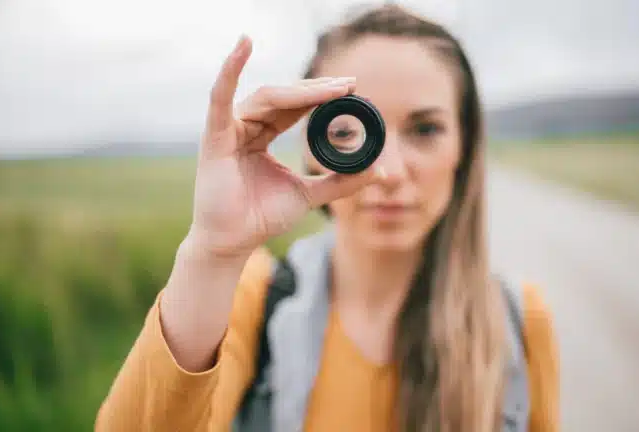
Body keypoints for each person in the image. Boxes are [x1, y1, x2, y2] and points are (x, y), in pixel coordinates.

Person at [95, 5, 559, 432]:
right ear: (312, 150)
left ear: (464, 148)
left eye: (425, 129)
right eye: (347, 132)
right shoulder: (253, 298)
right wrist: (212, 252)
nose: (389, 172)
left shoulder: (518, 320)